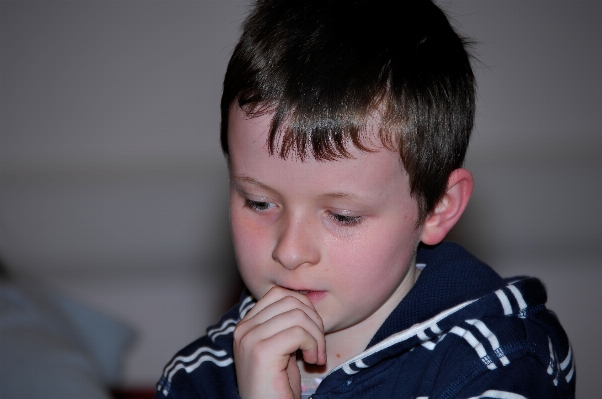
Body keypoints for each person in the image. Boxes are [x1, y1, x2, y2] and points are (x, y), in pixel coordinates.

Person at [154, 1, 575, 398]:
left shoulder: (495, 361)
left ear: (437, 207)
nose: (290, 251)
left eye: (343, 215)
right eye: (259, 202)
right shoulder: (195, 378)